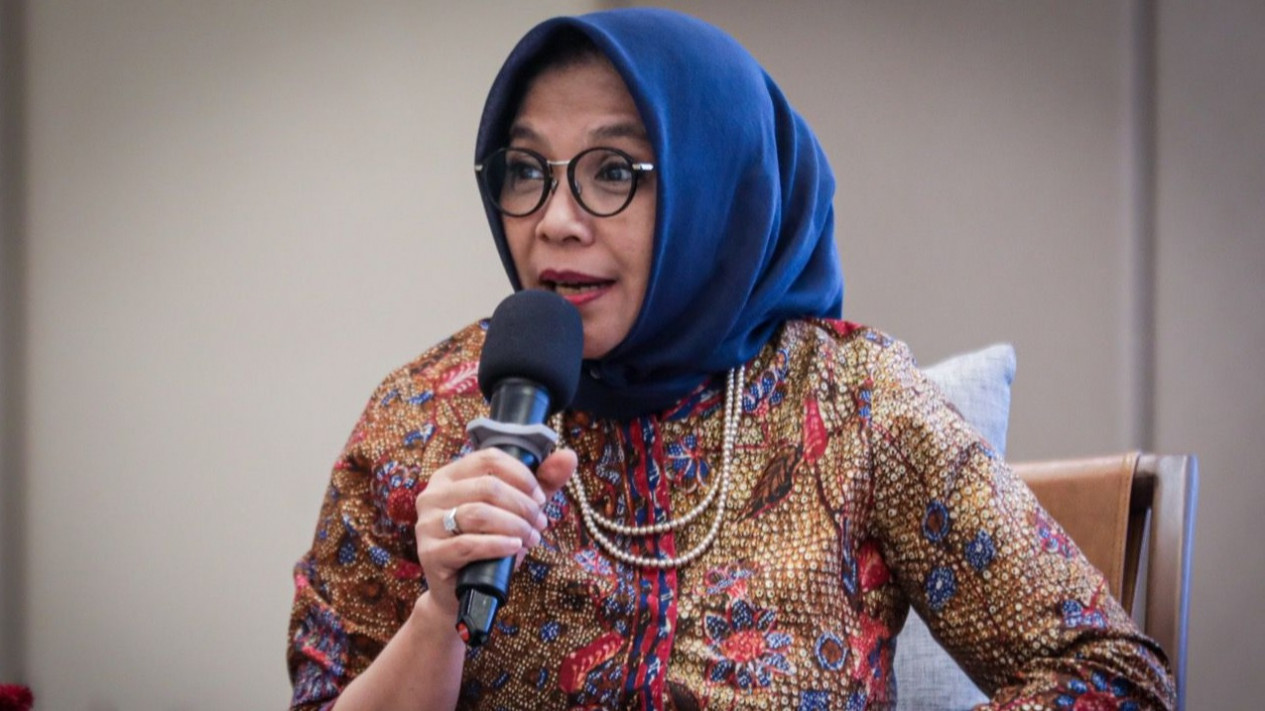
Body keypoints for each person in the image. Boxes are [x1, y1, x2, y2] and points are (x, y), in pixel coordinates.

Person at [287, 8, 1176, 710]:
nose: (554, 220)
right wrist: (441, 610)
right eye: (526, 170)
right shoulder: (425, 416)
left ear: (720, 185)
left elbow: (1109, 673)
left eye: (612, 171)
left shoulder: (853, 402)